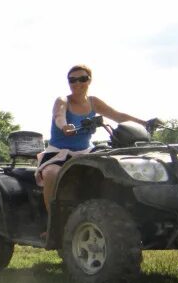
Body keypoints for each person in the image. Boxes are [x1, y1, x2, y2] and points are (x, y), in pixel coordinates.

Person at [35, 65, 146, 211]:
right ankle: (52, 223)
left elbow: (117, 116)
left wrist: (145, 123)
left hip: (87, 152)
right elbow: (58, 115)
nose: (77, 83)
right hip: (58, 153)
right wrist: (64, 126)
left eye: (82, 79)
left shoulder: (93, 102)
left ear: (90, 80)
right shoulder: (62, 100)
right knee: (52, 174)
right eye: (72, 80)